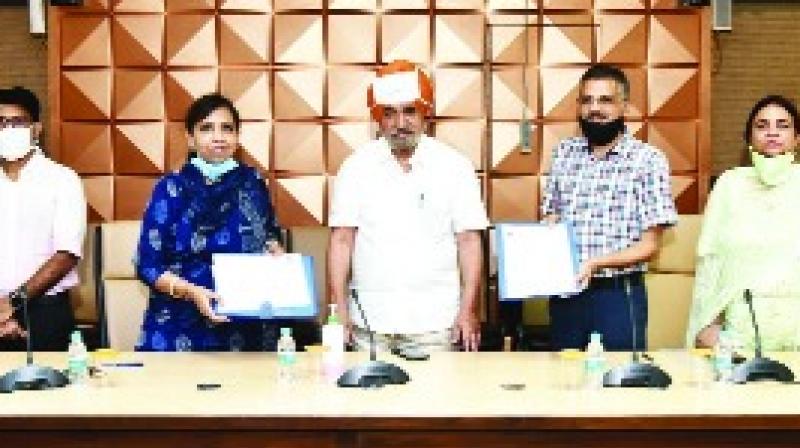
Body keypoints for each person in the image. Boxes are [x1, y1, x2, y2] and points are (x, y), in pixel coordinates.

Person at [328, 60, 489, 352]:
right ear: (378, 118)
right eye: (389, 113)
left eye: (409, 111)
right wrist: (339, 310)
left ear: (425, 112)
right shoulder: (355, 167)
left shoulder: (455, 167)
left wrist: (468, 310)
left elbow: (469, 241)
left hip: (437, 326)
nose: (400, 123)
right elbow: (341, 240)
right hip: (370, 325)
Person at [541, 64, 677, 351]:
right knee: (562, 375)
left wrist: (595, 263)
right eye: (587, 100)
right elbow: (551, 215)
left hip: (618, 296)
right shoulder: (563, 153)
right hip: (566, 296)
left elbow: (650, 246)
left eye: (605, 100)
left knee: (619, 375)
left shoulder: (648, 160)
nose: (595, 109)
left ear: (624, 106)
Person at [134, 93, 284, 352]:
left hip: (245, 324)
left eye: (227, 128)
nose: (218, 137)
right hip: (179, 323)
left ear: (237, 137)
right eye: (207, 128)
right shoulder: (170, 188)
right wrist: (191, 292)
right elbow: (147, 265)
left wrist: (275, 252)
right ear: (190, 139)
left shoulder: (254, 184)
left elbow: (270, 236)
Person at [687, 95, 800, 351]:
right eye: (762, 125)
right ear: (749, 137)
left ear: (797, 138)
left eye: (783, 125)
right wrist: (707, 323)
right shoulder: (730, 184)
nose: (772, 132)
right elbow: (710, 259)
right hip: (740, 331)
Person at [0, 86, 86, 351]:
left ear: (36, 129)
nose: (7, 129)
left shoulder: (62, 180)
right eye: (1, 123)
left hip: (45, 312)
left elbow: (66, 254)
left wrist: (12, 304)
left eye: (17, 122)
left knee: (49, 379)